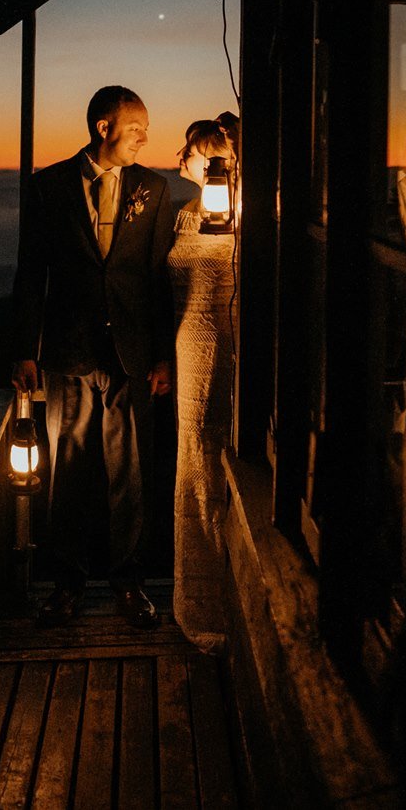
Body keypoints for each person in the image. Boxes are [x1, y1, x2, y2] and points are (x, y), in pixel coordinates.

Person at [12, 86, 176, 629]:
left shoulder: (153, 189)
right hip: (69, 352)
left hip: (132, 355)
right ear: (104, 127)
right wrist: (25, 350)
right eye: (137, 129)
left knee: (131, 476)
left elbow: (157, 281)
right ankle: (67, 584)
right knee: (70, 473)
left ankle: (130, 584)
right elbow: (32, 273)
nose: (145, 139)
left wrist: (162, 357)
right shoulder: (49, 187)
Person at [166, 115, 238, 651]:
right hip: (186, 347)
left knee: (213, 460)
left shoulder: (235, 212)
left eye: (189, 151)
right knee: (191, 460)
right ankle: (198, 596)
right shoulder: (190, 213)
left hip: (222, 346)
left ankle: (225, 606)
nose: (179, 157)